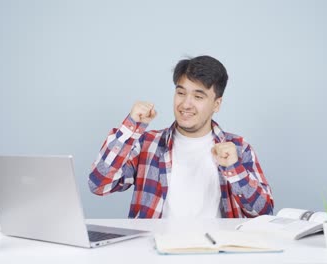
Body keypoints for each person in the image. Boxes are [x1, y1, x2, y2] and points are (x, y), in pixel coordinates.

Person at [88, 55, 273, 218]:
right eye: (181, 93)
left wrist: (234, 169)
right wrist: (131, 127)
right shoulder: (147, 143)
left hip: (214, 253)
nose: (186, 104)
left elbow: (263, 213)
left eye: (198, 97)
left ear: (217, 104)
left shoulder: (239, 148)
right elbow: (99, 184)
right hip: (154, 252)